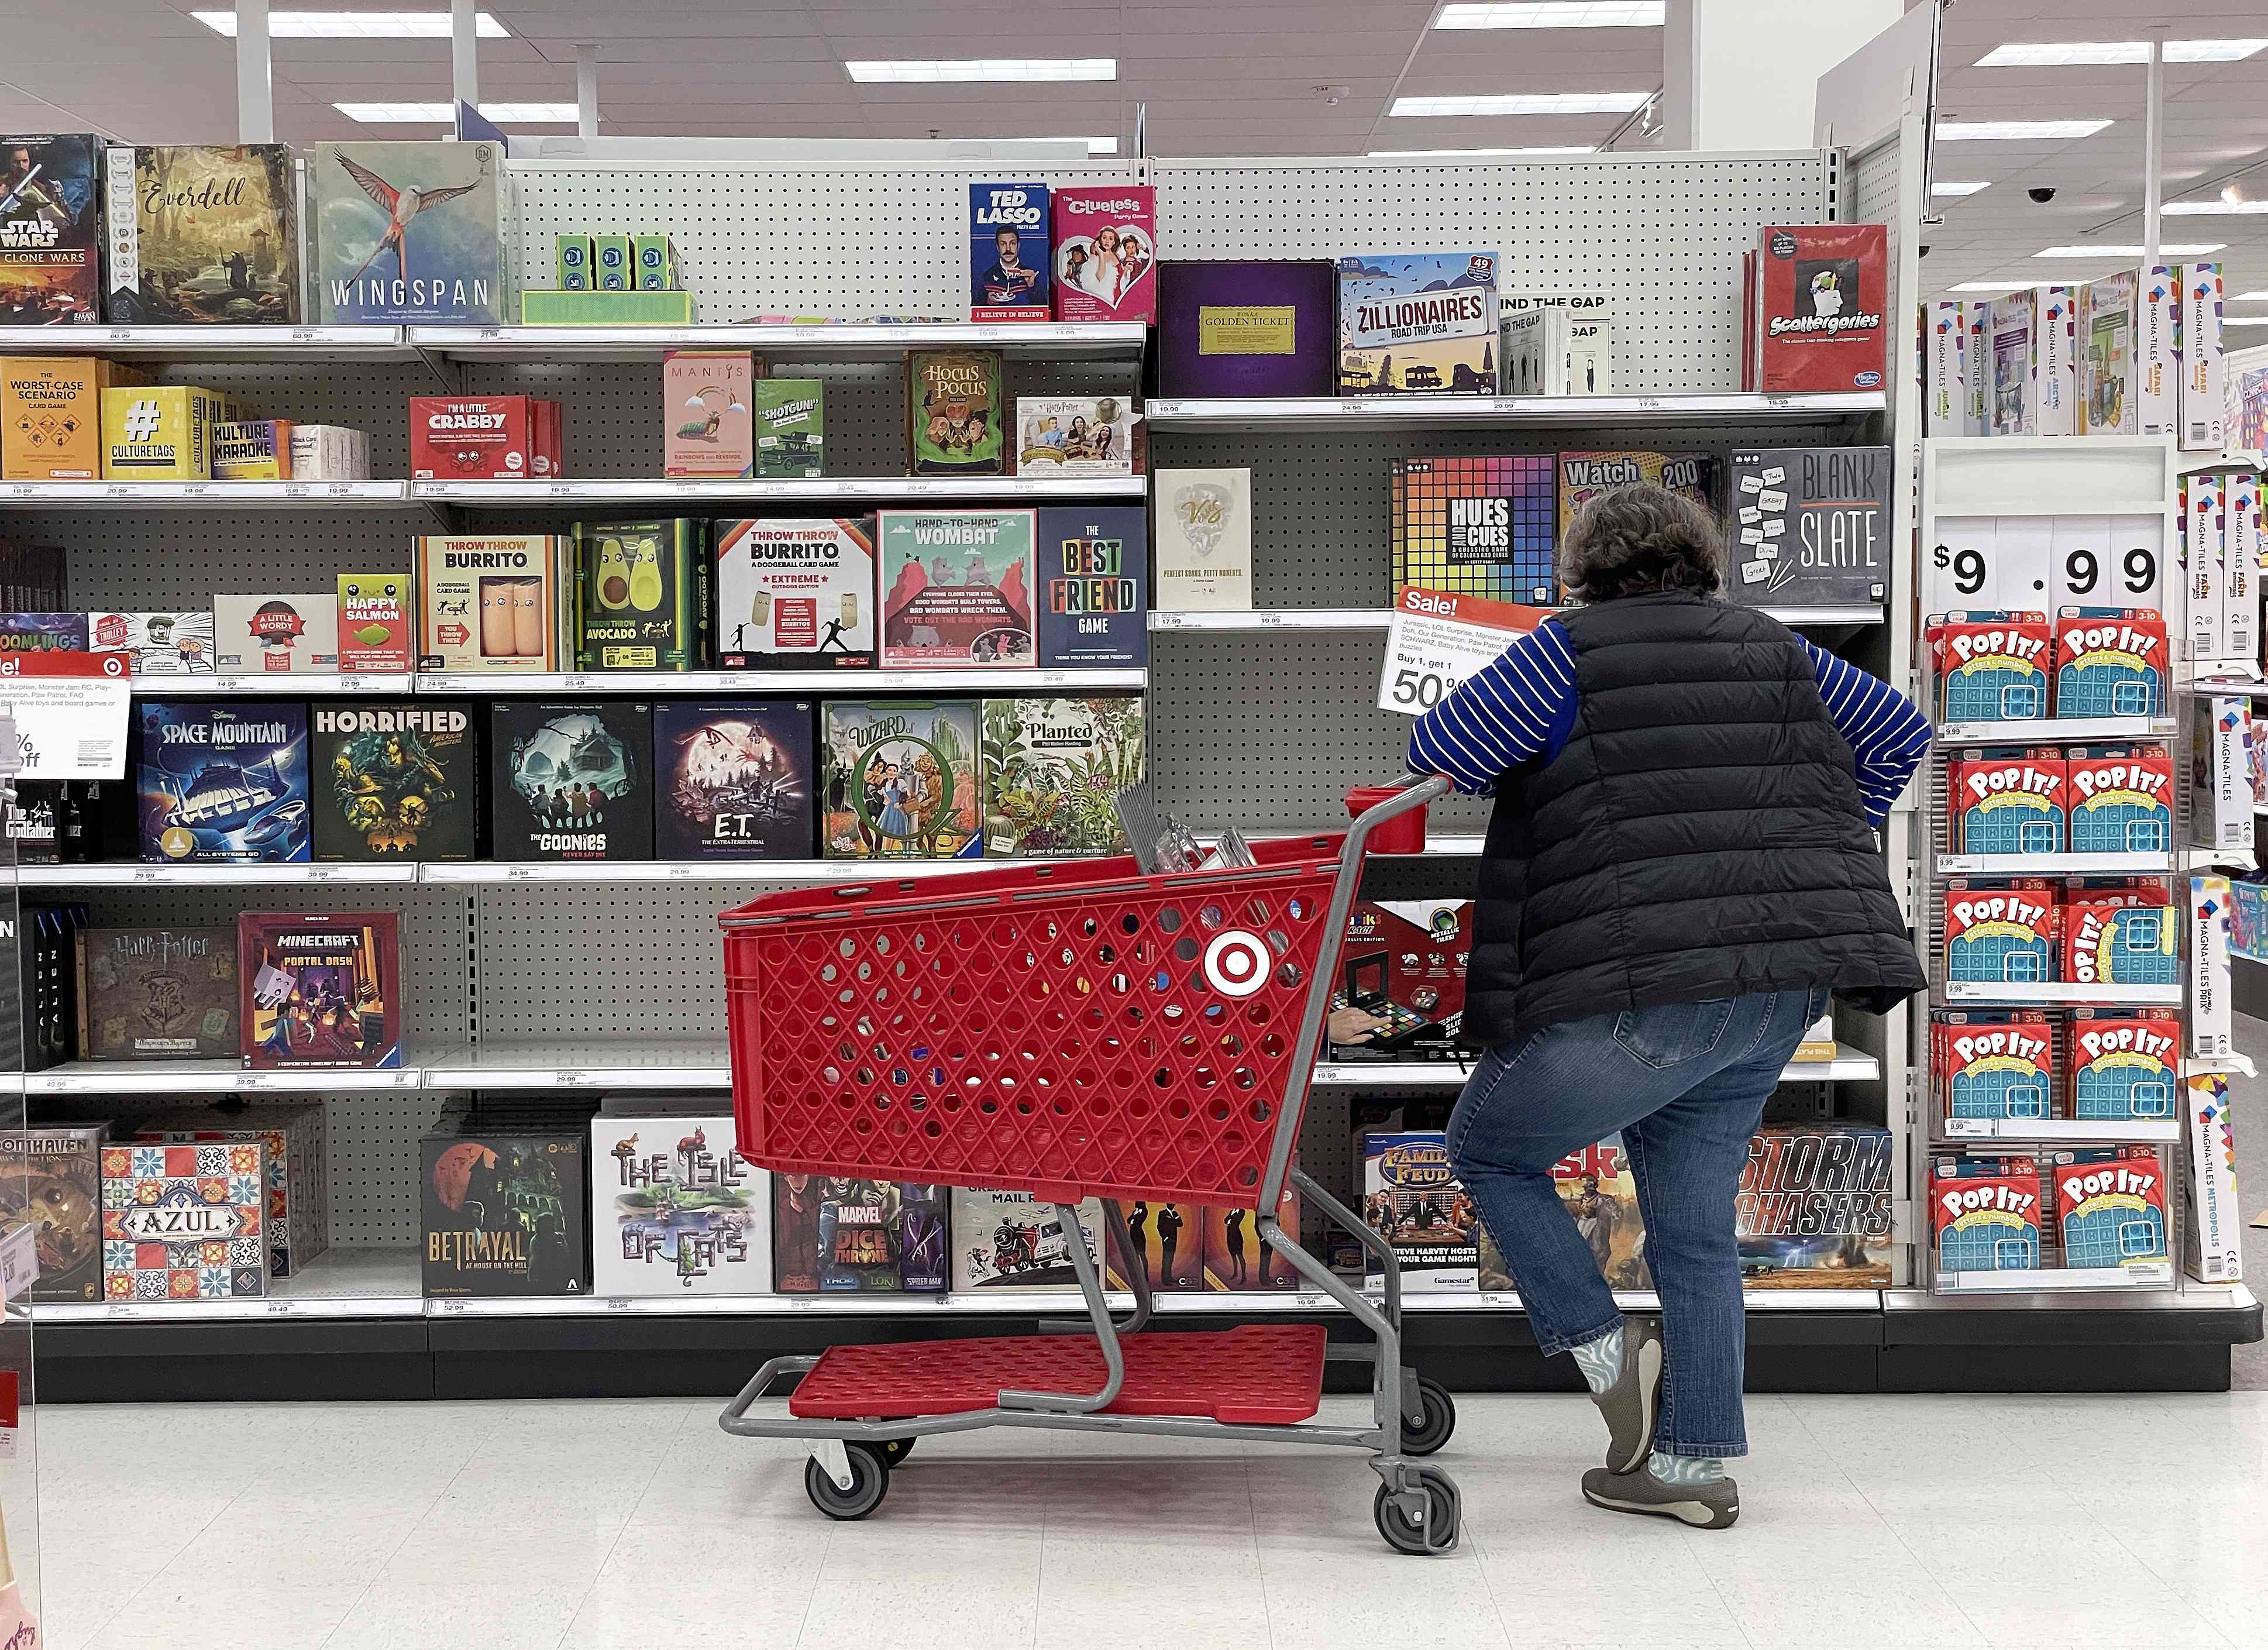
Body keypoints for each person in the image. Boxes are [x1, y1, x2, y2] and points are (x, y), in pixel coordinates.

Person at [1407, 484, 1928, 1531]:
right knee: (1693, 1236)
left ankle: (1610, 1361)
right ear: (1704, 564)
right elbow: (1899, 733)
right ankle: (1689, 1472)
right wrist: (1810, 832)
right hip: (1775, 991)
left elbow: (1441, 752)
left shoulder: (1566, 653)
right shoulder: (1779, 650)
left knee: (1490, 1151)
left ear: (1581, 574)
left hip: (1639, 988)